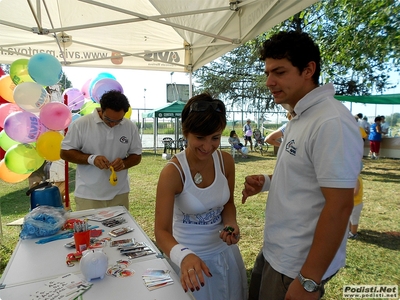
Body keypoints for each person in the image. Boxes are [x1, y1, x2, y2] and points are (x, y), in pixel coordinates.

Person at [242, 31, 363, 300]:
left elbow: (340, 205)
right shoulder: (300, 115)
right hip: (277, 251)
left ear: (309, 70)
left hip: (296, 266)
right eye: (267, 72)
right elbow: (306, 177)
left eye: (279, 72)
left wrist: (309, 280)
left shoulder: (330, 122)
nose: (269, 81)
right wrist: (268, 181)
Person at [155, 93, 248, 300]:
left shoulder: (225, 162)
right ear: (186, 133)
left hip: (224, 255)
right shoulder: (173, 172)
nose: (207, 147)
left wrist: (231, 224)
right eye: (200, 138)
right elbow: (161, 232)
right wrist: (184, 256)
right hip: (188, 261)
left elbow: (228, 204)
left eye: (215, 138)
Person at [60, 90, 142, 211]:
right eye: (108, 119)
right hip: (88, 194)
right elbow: (65, 152)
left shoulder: (129, 126)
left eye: (118, 120)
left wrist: (124, 163)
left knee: (120, 229)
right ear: (101, 110)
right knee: (90, 229)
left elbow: (136, 155)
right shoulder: (81, 124)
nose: (113, 124)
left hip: (119, 193)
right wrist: (91, 159)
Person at [348, 174, 363, 239]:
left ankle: (353, 233)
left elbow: (355, 192)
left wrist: (345, 194)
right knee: (349, 218)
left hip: (356, 204)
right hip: (351, 203)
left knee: (354, 219)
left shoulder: (356, 179)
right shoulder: (353, 177)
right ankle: (349, 230)